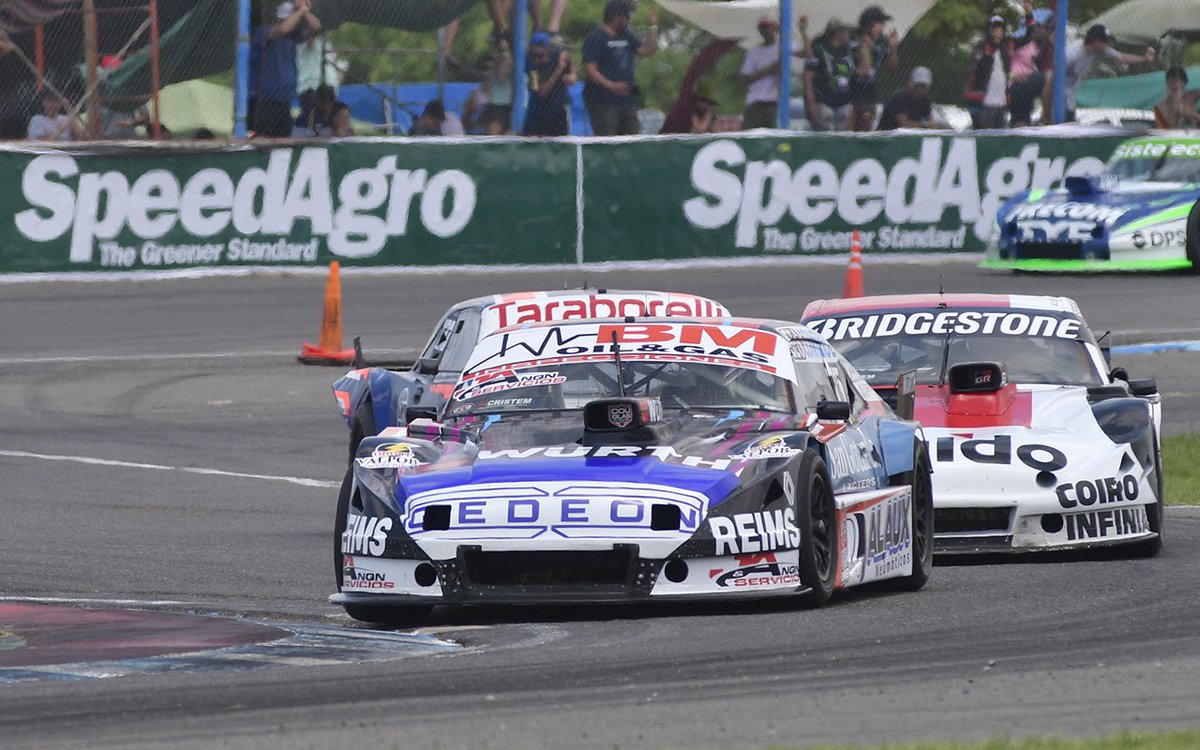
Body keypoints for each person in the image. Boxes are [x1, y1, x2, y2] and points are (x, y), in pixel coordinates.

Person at [582, 0, 658, 136]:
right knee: (608, 141)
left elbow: (647, 50)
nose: (628, 21)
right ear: (617, 17)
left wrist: (652, 26)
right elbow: (589, 69)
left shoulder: (626, 35)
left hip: (627, 102)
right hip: (603, 103)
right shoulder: (595, 37)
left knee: (632, 139)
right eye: (627, 17)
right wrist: (611, 85)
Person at [249, 0, 321, 138]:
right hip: (264, 100)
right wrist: (299, 11)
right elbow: (283, 29)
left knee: (284, 140)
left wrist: (304, 10)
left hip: (284, 100)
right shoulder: (264, 31)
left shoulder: (292, 37)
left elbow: (316, 27)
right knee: (263, 139)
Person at [1063, 24, 1154, 122]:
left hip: (1069, 100)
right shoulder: (1071, 54)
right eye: (1105, 41)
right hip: (1057, 97)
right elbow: (1053, 73)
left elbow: (1121, 57)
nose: (1107, 45)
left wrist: (1144, 59)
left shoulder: (1099, 51)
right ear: (1096, 41)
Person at [849, 5, 898, 131]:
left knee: (867, 128)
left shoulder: (880, 44)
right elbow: (863, 71)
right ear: (871, 24)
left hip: (870, 91)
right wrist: (865, 48)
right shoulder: (854, 40)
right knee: (851, 128)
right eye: (880, 23)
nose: (883, 27)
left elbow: (891, 67)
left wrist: (893, 47)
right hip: (853, 91)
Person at [804, 19, 855, 131]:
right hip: (823, 101)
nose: (848, 35)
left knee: (843, 137)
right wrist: (810, 101)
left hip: (844, 101)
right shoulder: (819, 49)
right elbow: (808, 75)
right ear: (837, 33)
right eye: (845, 32)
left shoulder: (847, 51)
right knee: (825, 134)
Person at [523, 31, 575, 137]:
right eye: (534, 55)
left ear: (548, 50)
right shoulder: (531, 64)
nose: (537, 59)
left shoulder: (558, 55)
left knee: (561, 140)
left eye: (540, 55)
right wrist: (558, 70)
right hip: (537, 108)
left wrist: (571, 76)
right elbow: (541, 92)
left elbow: (572, 76)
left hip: (558, 107)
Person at [964, 16, 1012, 129]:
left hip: (1000, 102)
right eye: (994, 29)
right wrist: (991, 48)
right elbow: (981, 69)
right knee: (985, 136)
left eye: (1000, 29)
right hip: (984, 103)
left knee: (1000, 139)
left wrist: (1028, 14)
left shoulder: (1004, 49)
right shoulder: (981, 47)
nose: (997, 32)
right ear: (989, 30)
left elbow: (1027, 38)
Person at [1008, 2, 1050, 127]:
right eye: (1040, 27)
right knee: (1049, 76)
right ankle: (1046, 117)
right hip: (1016, 85)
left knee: (1021, 123)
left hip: (1028, 88)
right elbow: (1003, 61)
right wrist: (1029, 13)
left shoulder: (1040, 47)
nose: (1042, 30)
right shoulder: (1018, 41)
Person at [740, 17, 780, 129]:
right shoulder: (754, 52)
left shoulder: (783, 47)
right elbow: (743, 80)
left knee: (775, 140)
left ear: (775, 29)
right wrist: (768, 70)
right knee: (750, 138)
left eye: (769, 27)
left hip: (774, 104)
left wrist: (803, 31)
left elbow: (807, 53)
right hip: (755, 102)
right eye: (763, 28)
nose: (767, 31)